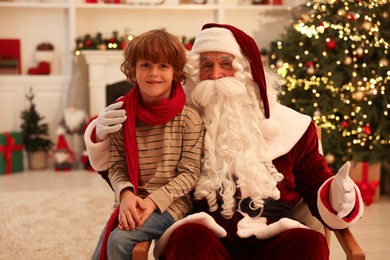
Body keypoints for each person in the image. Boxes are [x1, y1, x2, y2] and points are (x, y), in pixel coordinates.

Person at [85, 24, 364, 259]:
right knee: (189, 239)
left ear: (246, 70)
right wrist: (101, 134)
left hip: (274, 230)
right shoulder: (181, 120)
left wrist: (340, 196)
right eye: (206, 65)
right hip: (206, 230)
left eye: (226, 64)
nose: (215, 74)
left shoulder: (293, 126)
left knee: (308, 243)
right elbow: (138, 169)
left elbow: (316, 184)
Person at [85, 29, 204, 260]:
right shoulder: (122, 114)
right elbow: (117, 165)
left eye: (163, 66)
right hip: (134, 197)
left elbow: (190, 174)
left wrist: (152, 202)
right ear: (133, 70)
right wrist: (127, 195)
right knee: (100, 253)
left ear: (176, 72)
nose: (154, 73)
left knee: (119, 240)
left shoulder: (188, 117)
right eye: (146, 65)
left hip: (172, 203)